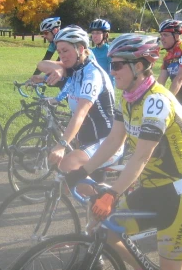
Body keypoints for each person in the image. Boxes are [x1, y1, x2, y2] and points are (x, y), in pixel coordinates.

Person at [65, 33, 182, 270]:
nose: (111, 70)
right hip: (154, 186)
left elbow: (140, 157)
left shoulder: (157, 101)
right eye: (111, 64)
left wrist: (112, 193)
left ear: (141, 66)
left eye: (117, 65)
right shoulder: (127, 96)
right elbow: (114, 141)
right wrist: (80, 170)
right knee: (107, 229)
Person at [32, 25, 121, 173]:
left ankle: (110, 196)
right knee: (74, 186)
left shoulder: (92, 75)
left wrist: (61, 145)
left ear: (80, 49)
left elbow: (80, 114)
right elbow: (41, 65)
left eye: (65, 51)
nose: (62, 56)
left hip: (106, 142)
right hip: (87, 141)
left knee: (67, 166)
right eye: (59, 52)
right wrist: (59, 68)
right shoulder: (76, 69)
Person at [34, 17, 63, 87]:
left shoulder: (63, 42)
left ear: (55, 30)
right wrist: (34, 77)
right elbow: (46, 59)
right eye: (43, 33)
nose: (44, 36)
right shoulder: (53, 43)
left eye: (46, 33)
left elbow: (59, 63)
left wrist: (44, 78)